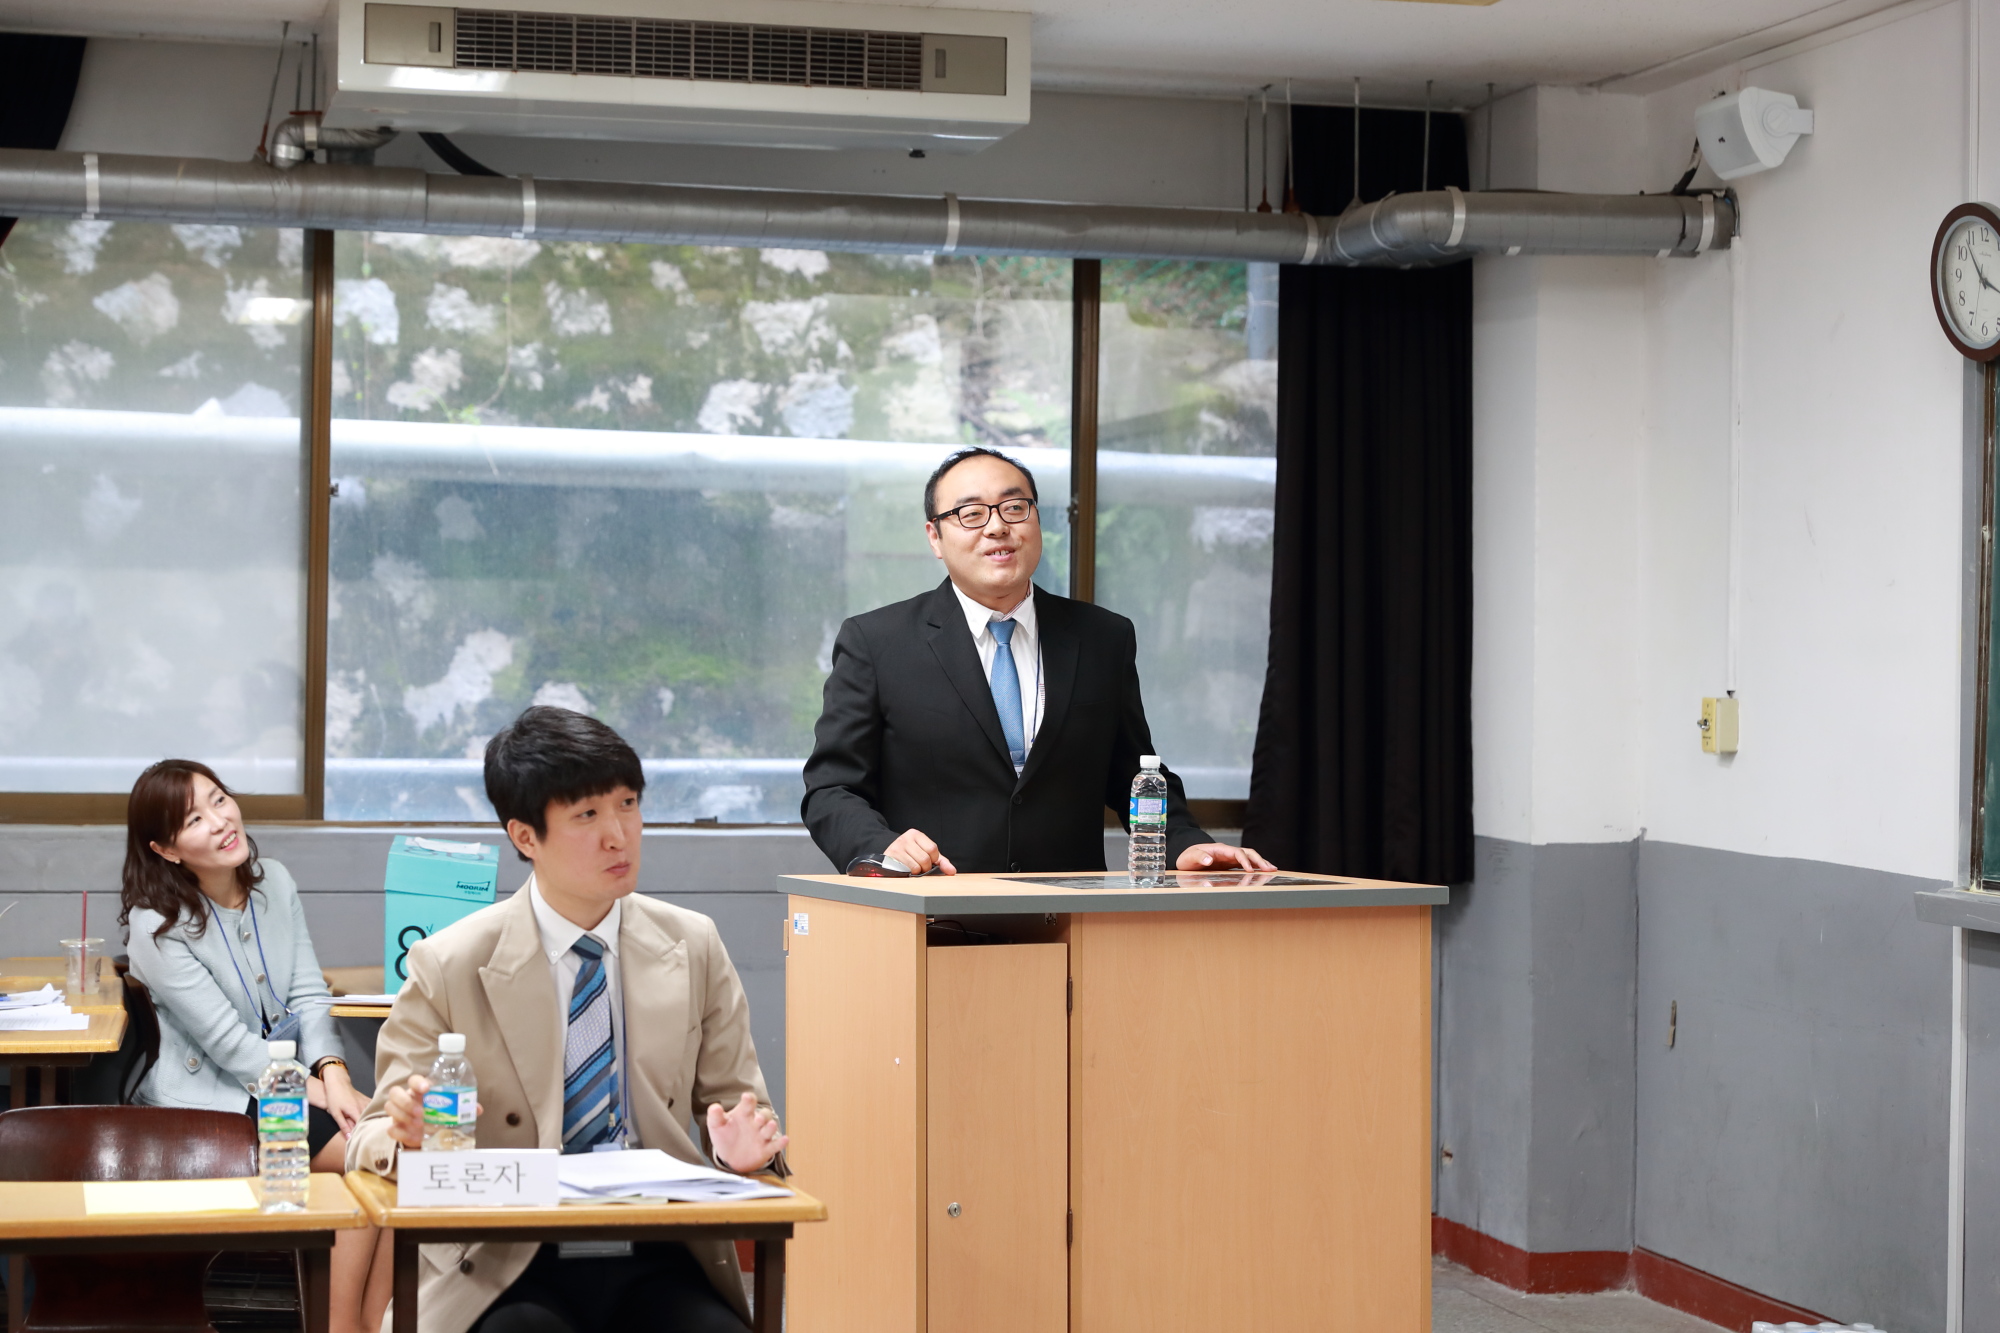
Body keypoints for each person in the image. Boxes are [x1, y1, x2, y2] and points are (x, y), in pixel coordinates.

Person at [346, 706, 786, 1333]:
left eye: (628, 804)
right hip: (507, 1258)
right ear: (526, 837)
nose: (619, 835)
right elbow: (367, 1138)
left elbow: (741, 1108)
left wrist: (738, 1150)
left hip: (658, 1246)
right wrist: (405, 1135)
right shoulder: (450, 962)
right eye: (586, 815)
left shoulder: (692, 944)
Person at [803, 445, 1277, 876]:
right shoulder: (877, 642)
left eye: (1014, 507)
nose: (997, 527)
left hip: (1070, 916)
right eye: (971, 513)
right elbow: (832, 789)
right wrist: (881, 847)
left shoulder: (1102, 638)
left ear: (1036, 520)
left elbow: (1133, 773)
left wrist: (1186, 842)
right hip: (931, 906)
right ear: (935, 537)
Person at [121, 759, 390, 1333]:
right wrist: (321, 1093)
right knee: (378, 1158)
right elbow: (228, 1045)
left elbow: (309, 993)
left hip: (291, 1085)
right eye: (194, 819)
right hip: (216, 1099)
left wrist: (336, 1074)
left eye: (219, 800)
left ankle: (370, 1323)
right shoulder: (156, 926)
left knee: (395, 1160)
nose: (220, 820)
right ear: (166, 849)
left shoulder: (275, 883)